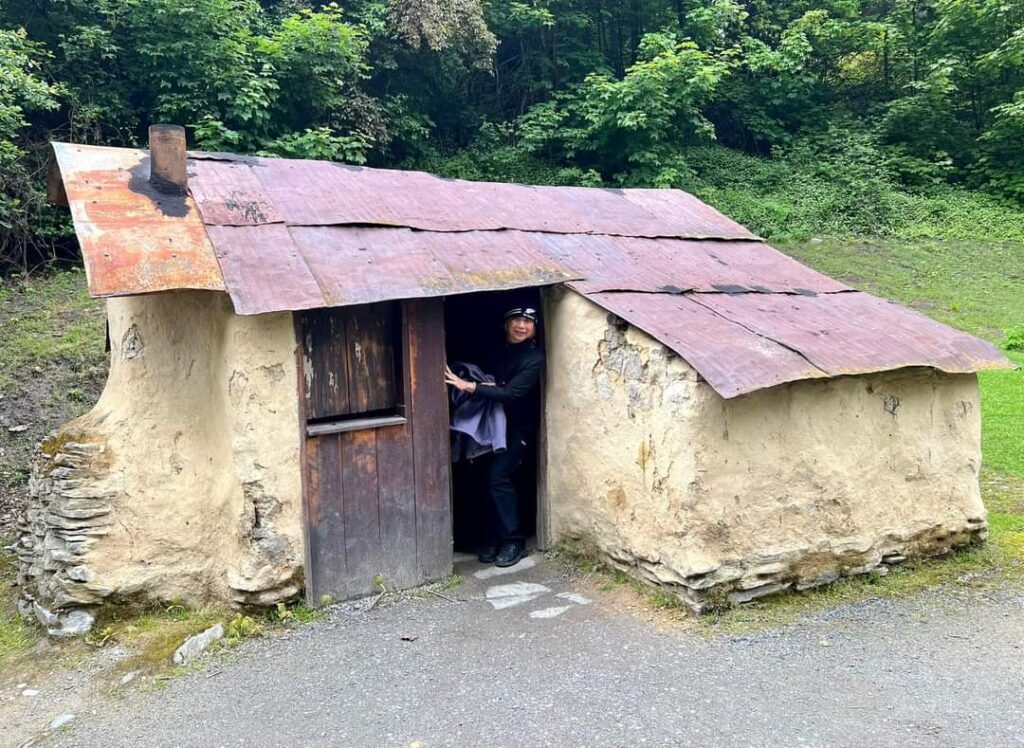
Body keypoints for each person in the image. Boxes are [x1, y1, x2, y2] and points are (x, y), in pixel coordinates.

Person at [444, 305, 544, 567]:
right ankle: (491, 537)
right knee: (480, 479)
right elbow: (495, 382)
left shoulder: (534, 358)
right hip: (490, 426)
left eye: (528, 322)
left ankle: (513, 540)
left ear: (534, 329)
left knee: (498, 476)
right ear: (505, 324)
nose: (522, 326)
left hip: (517, 429)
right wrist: (482, 383)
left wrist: (471, 387)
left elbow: (511, 393)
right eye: (517, 320)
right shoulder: (498, 352)